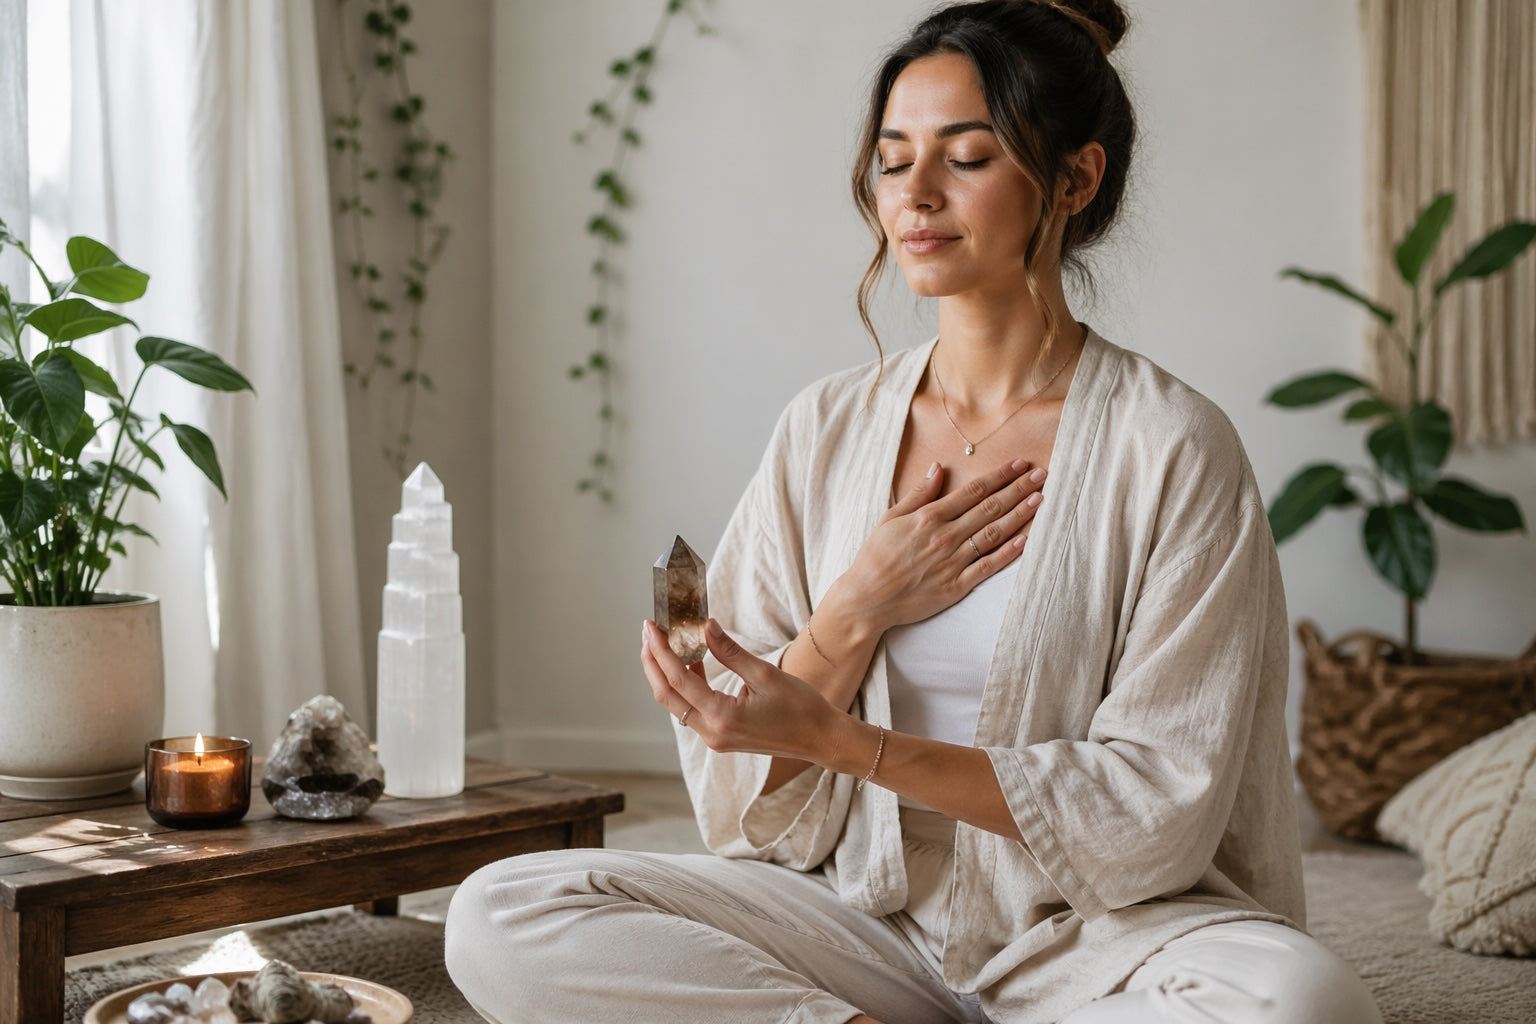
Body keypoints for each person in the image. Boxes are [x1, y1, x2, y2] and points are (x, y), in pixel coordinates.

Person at [446, 2, 1383, 1021]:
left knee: (1304, 1001)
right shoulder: (826, 428)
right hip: (859, 917)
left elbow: (1155, 810)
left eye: (967, 157)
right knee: (500, 911)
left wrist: (848, 742)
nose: (915, 196)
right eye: (893, 161)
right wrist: (857, 605)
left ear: (1074, 178)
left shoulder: (1173, 447)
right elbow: (747, 803)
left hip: (1095, 938)